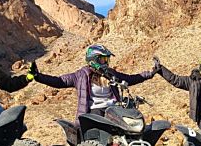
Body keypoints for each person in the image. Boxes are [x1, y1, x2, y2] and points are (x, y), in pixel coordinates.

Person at [29, 44, 158, 122]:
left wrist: (150, 73)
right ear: (94, 60)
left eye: (107, 59)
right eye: (103, 59)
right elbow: (59, 81)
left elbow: (131, 78)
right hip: (94, 111)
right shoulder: (80, 76)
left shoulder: (111, 74)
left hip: (114, 109)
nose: (106, 63)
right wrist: (38, 76)